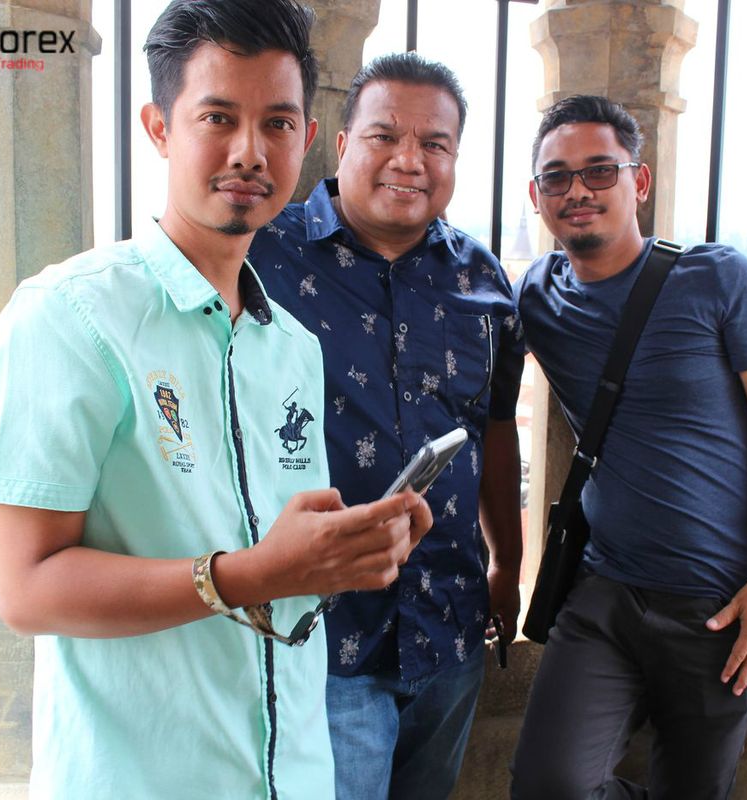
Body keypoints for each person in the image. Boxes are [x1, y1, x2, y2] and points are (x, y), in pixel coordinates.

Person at [0, 2, 431, 797]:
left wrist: (341, 555)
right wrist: (248, 573)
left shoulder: (291, 345)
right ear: (158, 127)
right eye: (218, 117)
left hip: (295, 776)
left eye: (277, 123)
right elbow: (27, 588)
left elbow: (279, 569)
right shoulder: (71, 317)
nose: (250, 151)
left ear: (305, 141)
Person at [510, 95, 747, 799]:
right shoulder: (537, 297)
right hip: (605, 592)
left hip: (721, 606)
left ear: (639, 181)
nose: (578, 190)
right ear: (536, 195)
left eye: (600, 170)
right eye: (557, 177)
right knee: (548, 787)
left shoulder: (716, 279)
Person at [248, 52, 525, 800]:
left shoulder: (482, 281)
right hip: (320, 633)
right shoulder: (261, 257)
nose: (410, 160)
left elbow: (496, 431)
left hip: (449, 622)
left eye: (435, 144)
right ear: (341, 145)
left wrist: (508, 565)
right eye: (384, 136)